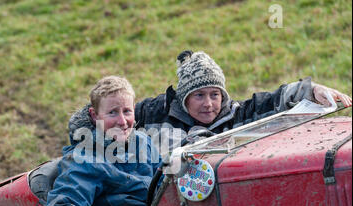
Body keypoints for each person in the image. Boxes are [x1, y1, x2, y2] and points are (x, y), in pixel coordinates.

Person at [68, 50, 352, 151]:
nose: (208, 104)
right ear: (183, 98)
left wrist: (310, 90)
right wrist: (102, 132)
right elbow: (108, 119)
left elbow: (270, 102)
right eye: (199, 96)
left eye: (214, 95)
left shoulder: (233, 115)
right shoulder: (156, 111)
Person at [47, 76, 161, 206]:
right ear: (95, 116)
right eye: (112, 113)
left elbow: (165, 182)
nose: (122, 122)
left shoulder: (142, 141)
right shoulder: (84, 160)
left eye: (127, 111)